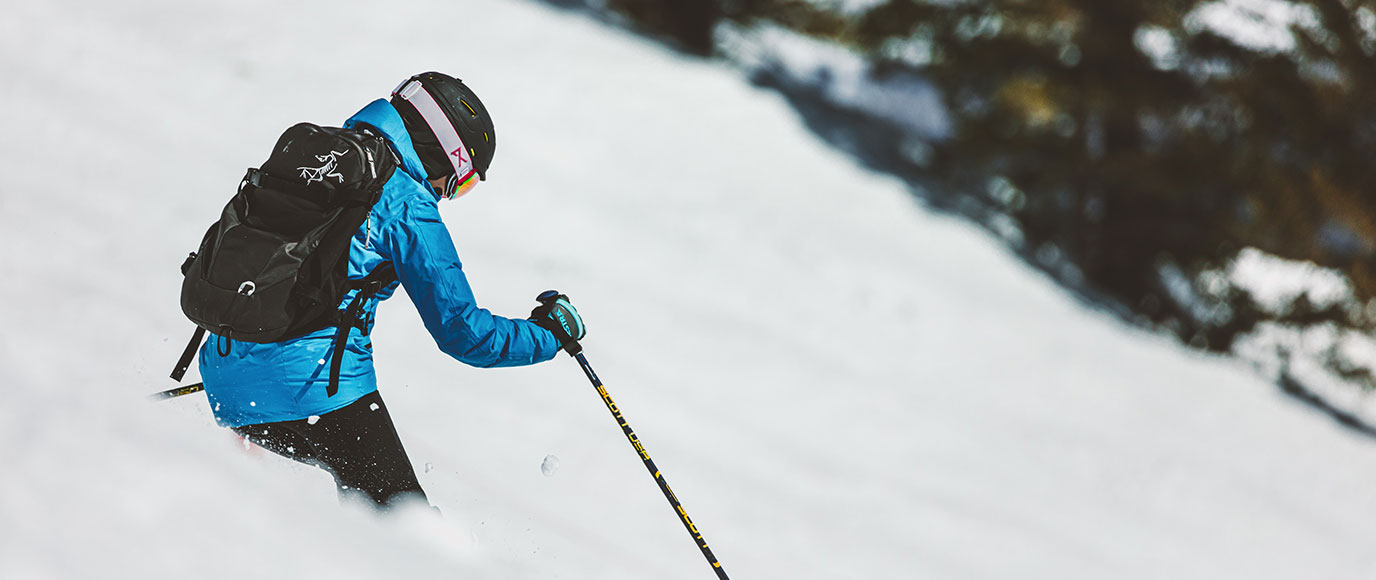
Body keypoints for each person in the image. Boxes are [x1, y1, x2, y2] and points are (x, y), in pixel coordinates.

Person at [198, 72, 585, 509]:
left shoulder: (325, 154)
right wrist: (549, 335)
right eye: (462, 181)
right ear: (445, 155)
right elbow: (463, 333)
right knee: (407, 531)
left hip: (225, 374)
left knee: (357, 524)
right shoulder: (406, 203)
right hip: (315, 388)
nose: (451, 194)